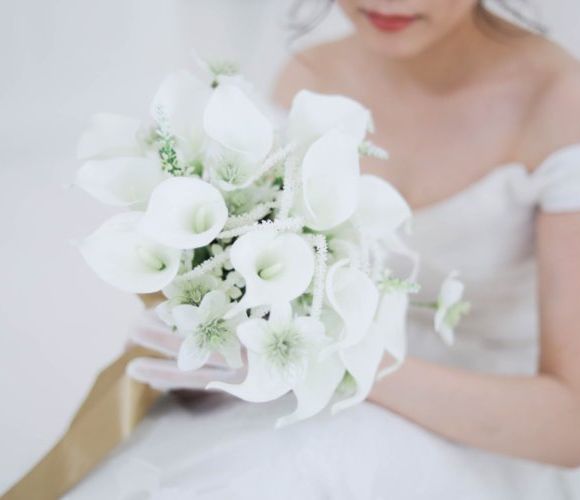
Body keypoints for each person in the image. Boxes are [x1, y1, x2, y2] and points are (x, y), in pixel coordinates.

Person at [68, 1, 580, 498]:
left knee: (294, 468)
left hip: (493, 428)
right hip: (314, 392)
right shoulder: (308, 76)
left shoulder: (559, 103)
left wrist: (339, 363)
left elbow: (570, 427)